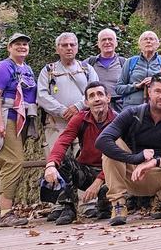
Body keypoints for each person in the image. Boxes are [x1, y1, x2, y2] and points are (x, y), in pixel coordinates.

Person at [96, 72, 161, 225]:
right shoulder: (131, 113)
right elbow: (102, 141)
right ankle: (118, 203)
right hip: (131, 174)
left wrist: (156, 162)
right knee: (112, 144)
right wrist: (135, 158)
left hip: (159, 176)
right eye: (158, 91)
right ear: (149, 92)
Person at [0, 32, 38, 227]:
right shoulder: (4, 66)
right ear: (9, 48)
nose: (22, 47)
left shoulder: (27, 69)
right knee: (14, 161)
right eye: (17, 44)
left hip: (20, 119)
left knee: (1, 162)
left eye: (25, 44)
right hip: (6, 117)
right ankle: (6, 212)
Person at [43, 81, 116, 225]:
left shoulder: (118, 120)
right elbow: (63, 141)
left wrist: (99, 181)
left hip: (112, 172)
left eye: (100, 94)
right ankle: (67, 207)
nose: (97, 99)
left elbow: (120, 155)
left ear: (108, 98)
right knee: (62, 161)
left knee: (112, 179)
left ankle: (105, 204)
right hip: (87, 171)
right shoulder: (80, 119)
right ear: (86, 102)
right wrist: (50, 165)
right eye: (92, 96)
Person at [37, 32, 98, 156]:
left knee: (83, 163)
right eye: (64, 45)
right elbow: (41, 95)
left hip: (83, 124)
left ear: (77, 48)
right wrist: (62, 111)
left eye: (72, 44)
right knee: (58, 162)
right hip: (56, 125)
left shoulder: (87, 69)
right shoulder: (48, 71)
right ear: (57, 49)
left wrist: (78, 106)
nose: (69, 48)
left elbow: (96, 92)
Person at [115, 30, 161, 108]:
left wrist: (155, 81)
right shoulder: (130, 62)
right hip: (132, 107)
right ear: (139, 45)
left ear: (157, 44)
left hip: (157, 106)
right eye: (145, 39)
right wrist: (137, 86)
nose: (148, 41)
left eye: (151, 39)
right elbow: (118, 88)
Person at [83, 28, 127, 111]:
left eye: (110, 39)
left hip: (120, 107)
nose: (107, 42)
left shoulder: (125, 63)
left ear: (116, 43)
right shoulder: (89, 63)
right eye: (103, 40)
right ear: (98, 44)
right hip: (96, 107)